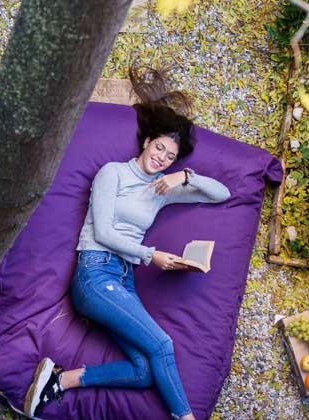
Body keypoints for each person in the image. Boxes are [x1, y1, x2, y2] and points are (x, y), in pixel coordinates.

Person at [22, 63, 231, 419]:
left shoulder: (163, 188)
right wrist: (152, 256)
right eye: (160, 148)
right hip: (95, 276)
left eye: (170, 157)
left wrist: (185, 176)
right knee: (162, 345)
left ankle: (62, 379)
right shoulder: (112, 173)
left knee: (146, 370)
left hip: (123, 280)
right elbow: (103, 232)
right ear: (147, 141)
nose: (162, 158)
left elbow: (221, 194)